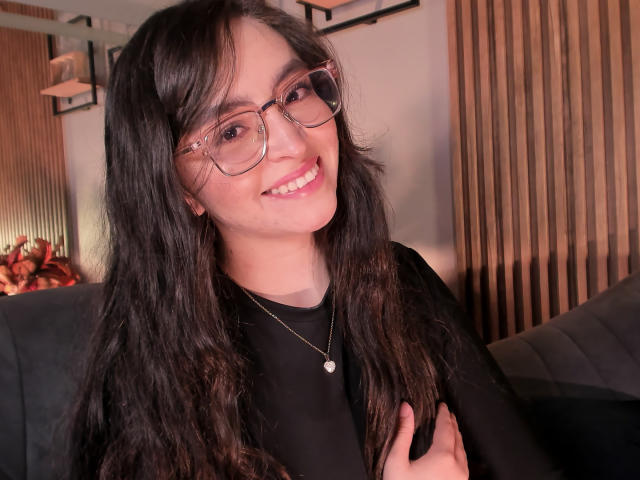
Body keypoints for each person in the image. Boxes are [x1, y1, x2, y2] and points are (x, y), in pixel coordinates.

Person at [69, 0, 563, 479]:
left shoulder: (403, 279)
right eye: (231, 131)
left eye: (293, 93)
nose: (293, 141)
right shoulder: (149, 378)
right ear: (178, 189)